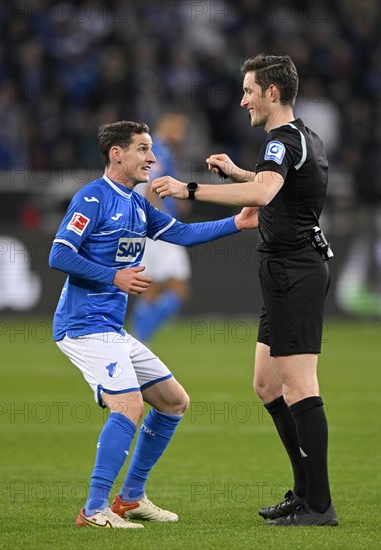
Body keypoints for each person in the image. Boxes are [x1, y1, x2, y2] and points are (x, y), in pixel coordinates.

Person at [151, 54, 338, 527]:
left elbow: (264, 195)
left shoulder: (279, 143)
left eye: (249, 90)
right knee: (267, 384)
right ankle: (304, 491)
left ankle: (319, 504)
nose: (243, 99)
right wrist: (237, 174)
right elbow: (274, 187)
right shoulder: (301, 138)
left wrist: (188, 190)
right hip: (283, 270)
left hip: (294, 271)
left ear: (272, 93)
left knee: (299, 385)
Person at [49, 120, 258, 528]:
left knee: (174, 401)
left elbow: (180, 233)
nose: (152, 157)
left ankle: (130, 498)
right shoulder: (92, 198)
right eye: (143, 149)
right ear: (117, 154)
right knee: (128, 406)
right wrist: (114, 277)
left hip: (111, 327)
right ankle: (94, 509)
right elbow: (59, 255)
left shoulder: (135, 202)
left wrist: (237, 223)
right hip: (83, 325)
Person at [131, 112, 192, 343]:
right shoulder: (159, 150)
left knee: (153, 288)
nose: (182, 135)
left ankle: (137, 341)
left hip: (146, 229)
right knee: (179, 290)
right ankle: (140, 339)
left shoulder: (149, 149)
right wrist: (165, 220)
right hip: (161, 231)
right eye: (178, 129)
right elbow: (149, 189)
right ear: (166, 125)